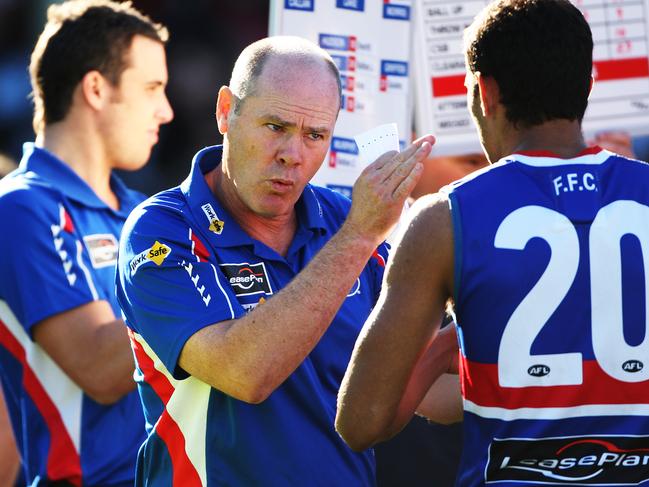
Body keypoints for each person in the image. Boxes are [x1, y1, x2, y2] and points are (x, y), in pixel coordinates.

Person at [336, 1, 649, 486]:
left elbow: (360, 422)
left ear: (485, 92)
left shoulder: (443, 218)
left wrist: (454, 341)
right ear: (589, 86)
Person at [115, 36, 433, 485]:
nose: (293, 154)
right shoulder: (162, 230)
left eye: (315, 135)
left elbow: (423, 384)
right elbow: (245, 373)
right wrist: (361, 235)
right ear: (226, 111)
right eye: (275, 126)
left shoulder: (345, 219)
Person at [0, 1, 173, 485]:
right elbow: (100, 369)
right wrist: (212, 285)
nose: (166, 110)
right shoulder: (19, 208)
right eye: (152, 89)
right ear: (96, 88)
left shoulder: (144, 210)